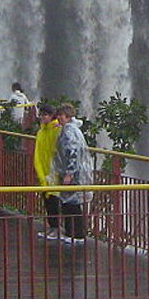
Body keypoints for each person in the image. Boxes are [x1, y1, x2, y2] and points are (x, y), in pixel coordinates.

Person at [52, 103, 93, 241]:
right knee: (69, 202)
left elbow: (73, 152)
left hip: (72, 173)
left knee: (71, 204)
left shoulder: (69, 131)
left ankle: (76, 234)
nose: (58, 118)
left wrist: (69, 173)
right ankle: (72, 233)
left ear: (68, 117)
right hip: (73, 171)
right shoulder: (70, 128)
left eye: (61, 116)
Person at [32, 103, 62, 239]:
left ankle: (56, 228)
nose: (43, 117)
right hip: (43, 171)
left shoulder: (56, 129)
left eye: (46, 115)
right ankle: (52, 227)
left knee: (54, 200)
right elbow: (37, 153)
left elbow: (70, 126)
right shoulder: (41, 131)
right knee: (47, 200)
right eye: (42, 114)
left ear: (52, 116)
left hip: (53, 171)